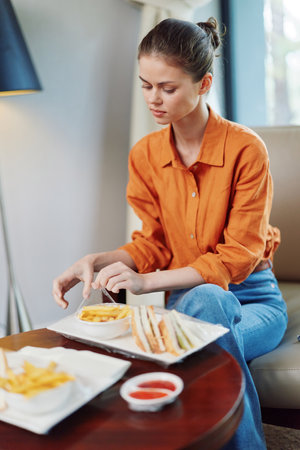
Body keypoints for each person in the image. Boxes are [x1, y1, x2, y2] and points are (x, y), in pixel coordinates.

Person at [52, 17, 287, 449]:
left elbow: (236, 258)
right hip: (183, 304)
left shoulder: (245, 149)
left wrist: (145, 283)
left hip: (254, 301)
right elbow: (153, 244)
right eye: (146, 85)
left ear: (203, 84)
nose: (153, 100)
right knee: (198, 310)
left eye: (167, 88)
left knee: (210, 303)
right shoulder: (145, 155)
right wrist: (99, 260)